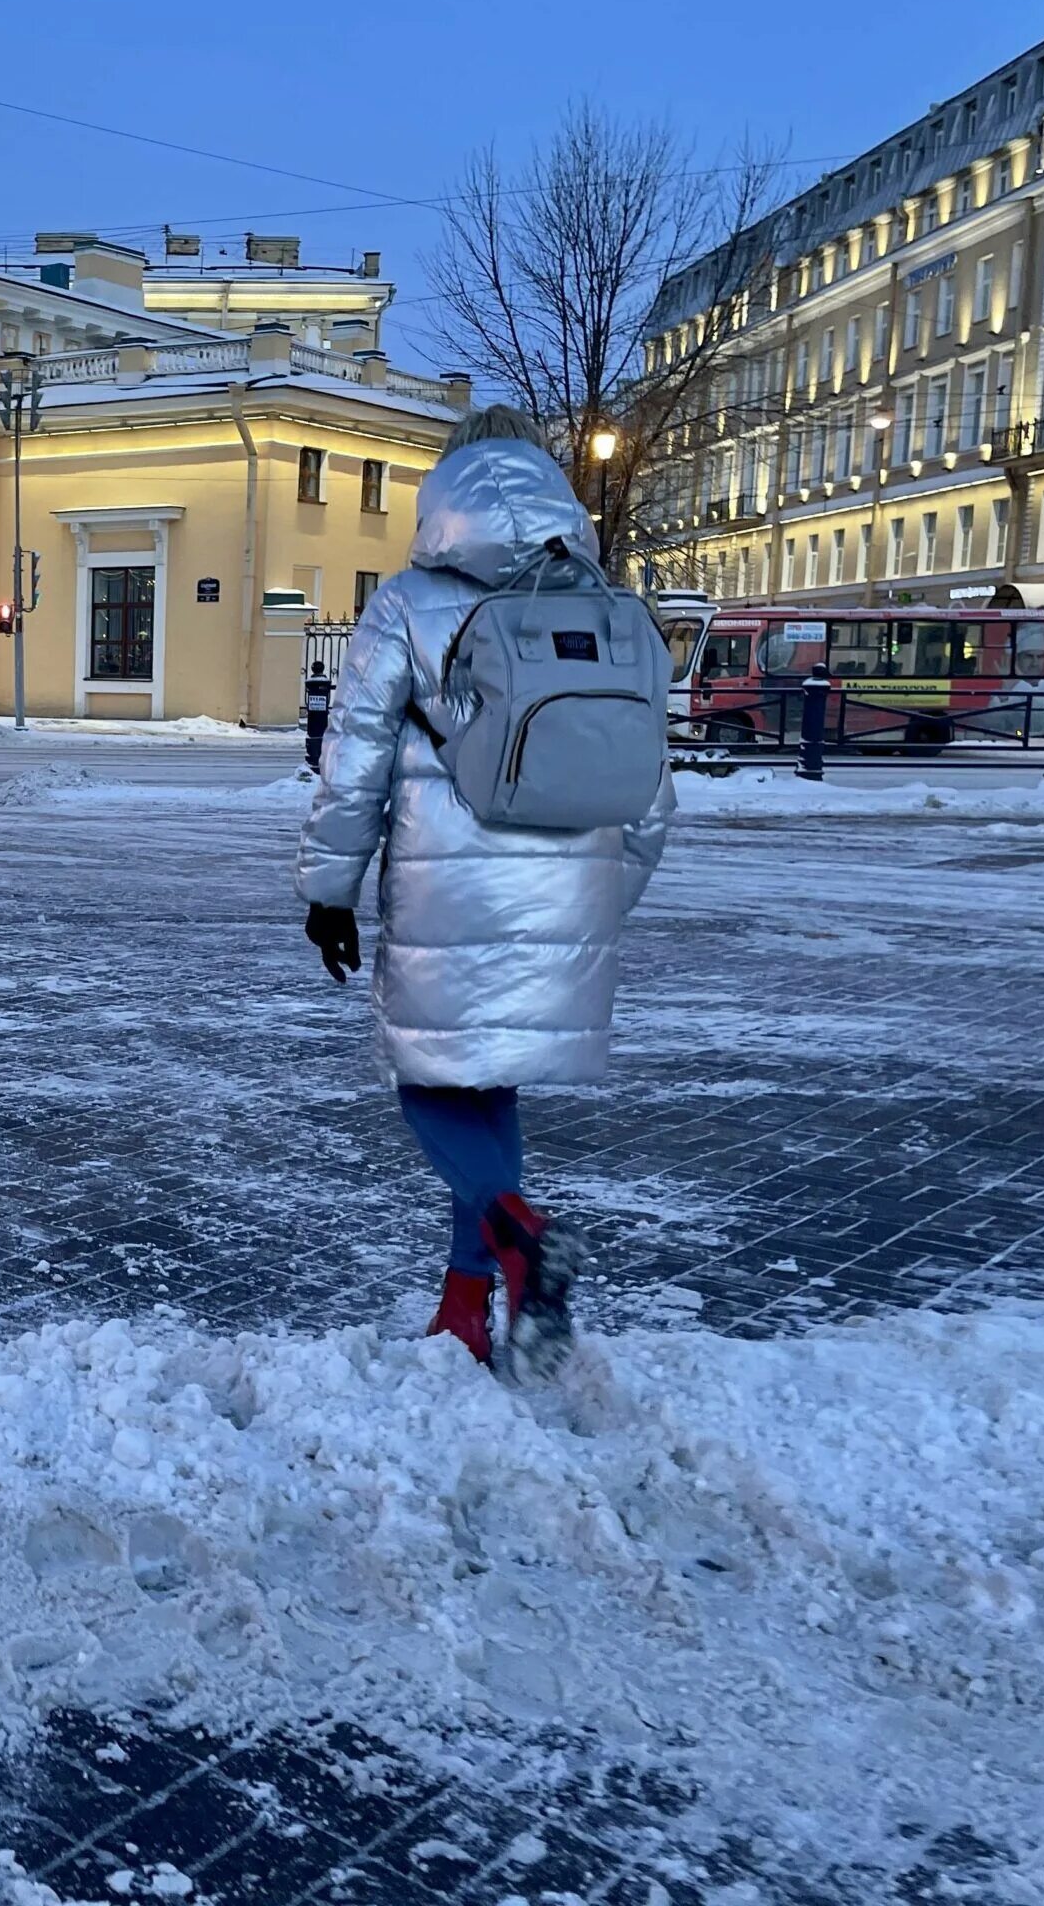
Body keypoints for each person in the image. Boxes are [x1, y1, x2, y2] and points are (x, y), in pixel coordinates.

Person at [294, 405, 673, 1378]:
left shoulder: (408, 604)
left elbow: (354, 764)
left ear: (444, 493)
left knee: (424, 1079)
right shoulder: (602, 605)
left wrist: (329, 891)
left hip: (445, 888)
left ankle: (514, 1229)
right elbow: (652, 792)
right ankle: (469, 1306)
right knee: (488, 1083)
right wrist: (599, 901)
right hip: (571, 886)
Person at [302, 660, 334, 773]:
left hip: (313, 723)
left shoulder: (311, 684)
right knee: (318, 734)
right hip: (320, 720)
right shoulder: (323, 684)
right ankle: (316, 756)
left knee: (314, 734)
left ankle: (314, 757)